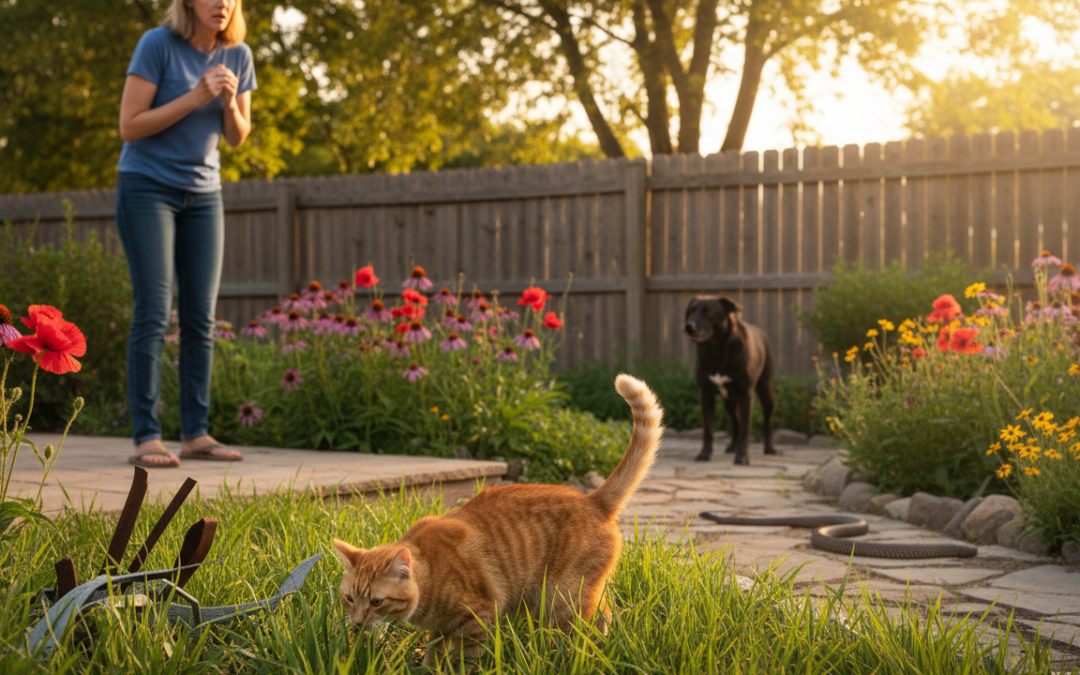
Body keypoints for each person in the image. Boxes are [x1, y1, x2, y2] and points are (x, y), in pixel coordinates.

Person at [115, 0, 255, 467]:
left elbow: (237, 136)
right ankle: (146, 435)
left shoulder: (239, 54)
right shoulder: (158, 45)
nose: (223, 3)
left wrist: (229, 102)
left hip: (205, 195)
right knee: (155, 311)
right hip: (147, 188)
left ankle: (196, 433)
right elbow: (129, 126)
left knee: (201, 319)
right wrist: (196, 96)